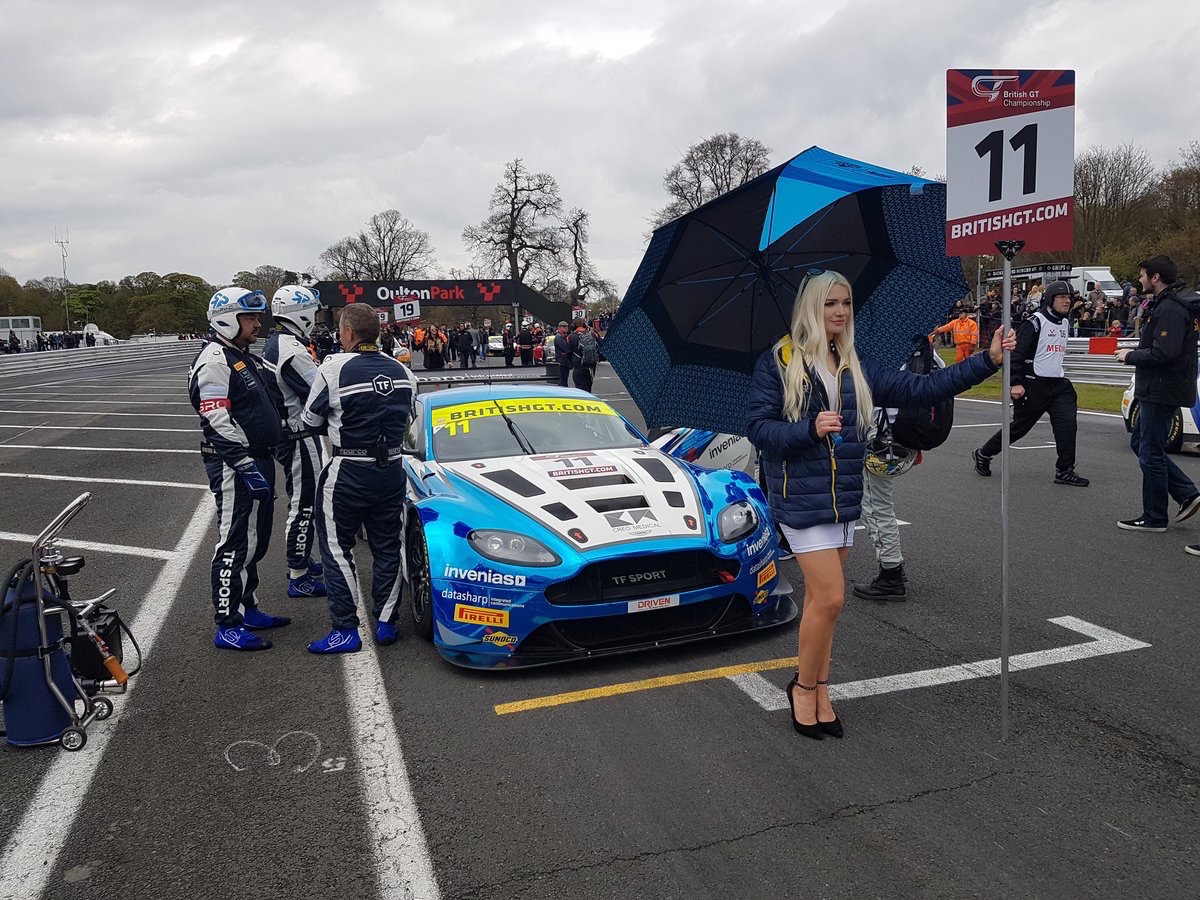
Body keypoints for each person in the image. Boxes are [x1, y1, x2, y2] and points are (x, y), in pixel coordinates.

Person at [748, 271, 1013, 740]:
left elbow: (922, 390)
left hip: (845, 499)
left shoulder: (853, 361)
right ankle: (802, 687)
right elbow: (760, 430)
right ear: (812, 306)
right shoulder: (780, 360)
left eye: (846, 302)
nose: (840, 311)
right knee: (831, 597)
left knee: (820, 605)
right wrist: (809, 429)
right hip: (799, 501)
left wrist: (987, 361)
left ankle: (821, 687)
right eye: (830, 303)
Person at [303, 303, 417, 652]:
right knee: (387, 547)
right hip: (392, 470)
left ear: (348, 332)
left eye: (341, 329)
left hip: (348, 471)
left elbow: (310, 420)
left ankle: (345, 629)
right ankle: (386, 622)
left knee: (337, 548)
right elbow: (410, 418)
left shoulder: (332, 369)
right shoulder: (403, 372)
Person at [188, 287, 290, 651]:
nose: (257, 324)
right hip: (233, 462)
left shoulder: (241, 356)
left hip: (257, 457)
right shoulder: (215, 360)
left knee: (256, 540)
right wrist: (245, 465)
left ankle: (248, 607)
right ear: (228, 318)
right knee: (234, 541)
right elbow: (215, 419)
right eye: (250, 318)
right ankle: (227, 623)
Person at [972, 280, 1089, 487]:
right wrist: (1015, 383)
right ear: (1050, 299)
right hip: (1033, 384)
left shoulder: (1064, 322)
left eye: (1069, 298)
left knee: (1067, 427)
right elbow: (1015, 355)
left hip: (1058, 385)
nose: (1066, 302)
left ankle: (1065, 470)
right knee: (1019, 428)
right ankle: (983, 453)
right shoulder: (1034, 322)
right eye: (1062, 297)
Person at [1114, 255, 1200, 534]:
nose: (1139, 280)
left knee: (1149, 452)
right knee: (1141, 443)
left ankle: (1154, 517)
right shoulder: (1167, 304)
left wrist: (1130, 356)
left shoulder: (1172, 309)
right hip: (1158, 386)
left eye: (1142, 275)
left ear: (1155, 278)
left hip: (1162, 388)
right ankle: (1186, 493)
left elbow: (1165, 351)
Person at [263, 285, 328, 598]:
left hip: (290, 433)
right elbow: (319, 391)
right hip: (299, 435)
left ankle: (301, 562)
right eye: (312, 311)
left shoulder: (279, 342)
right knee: (304, 504)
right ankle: (298, 572)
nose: (314, 317)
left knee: (303, 501)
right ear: (300, 313)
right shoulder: (290, 350)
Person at [568, 321, 599, 392]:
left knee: (580, 389)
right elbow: (600, 345)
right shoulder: (593, 334)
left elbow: (567, 351)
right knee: (588, 387)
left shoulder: (571, 336)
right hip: (591, 366)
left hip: (578, 365)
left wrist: (569, 364)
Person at [553, 321, 572, 386]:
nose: (566, 328)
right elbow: (566, 348)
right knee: (563, 381)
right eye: (564, 327)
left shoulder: (563, 336)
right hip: (562, 361)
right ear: (559, 327)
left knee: (564, 380)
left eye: (566, 326)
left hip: (563, 361)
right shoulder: (559, 337)